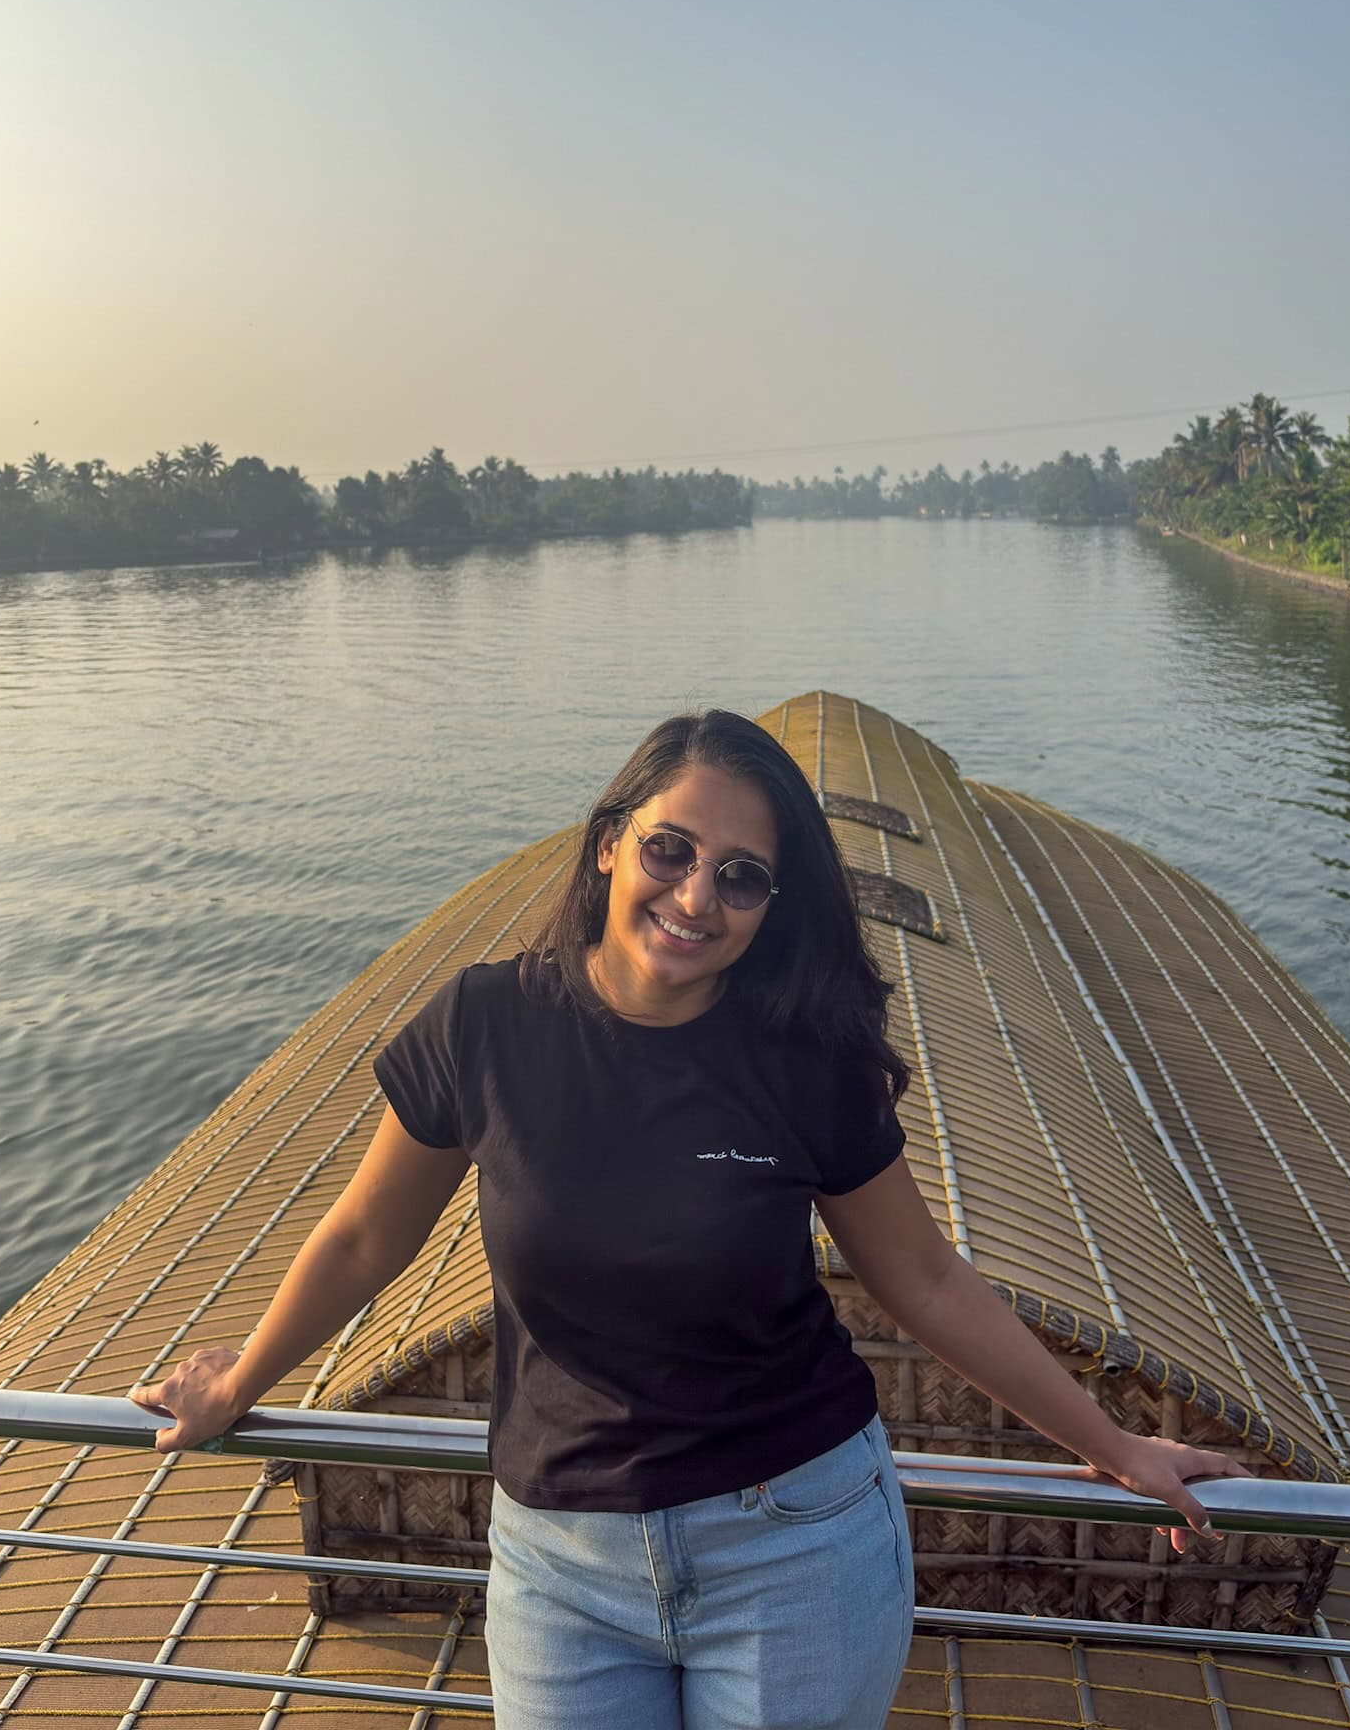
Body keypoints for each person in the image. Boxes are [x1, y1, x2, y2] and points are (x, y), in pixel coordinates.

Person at [131, 709, 1244, 1729]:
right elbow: (367, 1236)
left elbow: (924, 1279)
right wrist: (241, 1384)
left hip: (795, 1550)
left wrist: (1114, 1443)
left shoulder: (806, 1060)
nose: (697, 895)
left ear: (773, 905)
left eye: (742, 875)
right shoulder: (485, 1023)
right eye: (672, 849)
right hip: (559, 1559)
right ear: (611, 840)